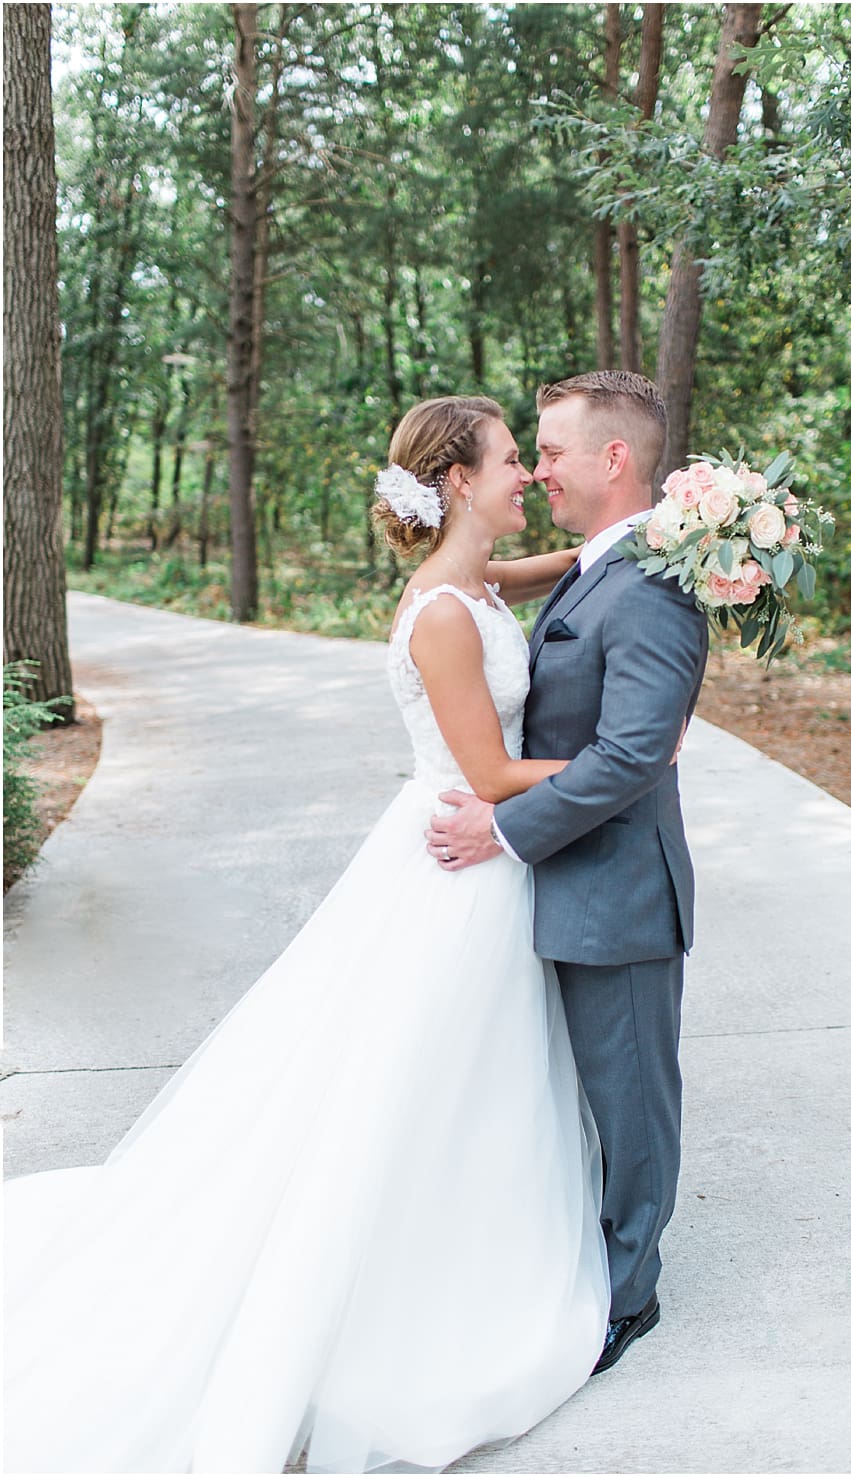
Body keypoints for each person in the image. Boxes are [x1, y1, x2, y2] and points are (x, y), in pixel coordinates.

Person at [3, 393, 618, 1471]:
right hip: (455, 865)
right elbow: (487, 775)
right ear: (462, 480)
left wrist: (632, 537)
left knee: (464, 1079)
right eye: (514, 459)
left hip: (473, 863)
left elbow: (546, 574)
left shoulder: (473, 580)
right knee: (414, 1083)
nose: (528, 473)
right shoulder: (437, 611)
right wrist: (625, 768)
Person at [425, 370, 708, 1379]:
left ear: (615, 458)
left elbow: (635, 755)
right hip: (568, 882)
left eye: (550, 450)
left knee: (631, 1098)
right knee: (579, 1092)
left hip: (619, 892)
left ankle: (630, 1294)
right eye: (528, 454)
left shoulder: (656, 585)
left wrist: (504, 830)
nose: (540, 468)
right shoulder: (601, 566)